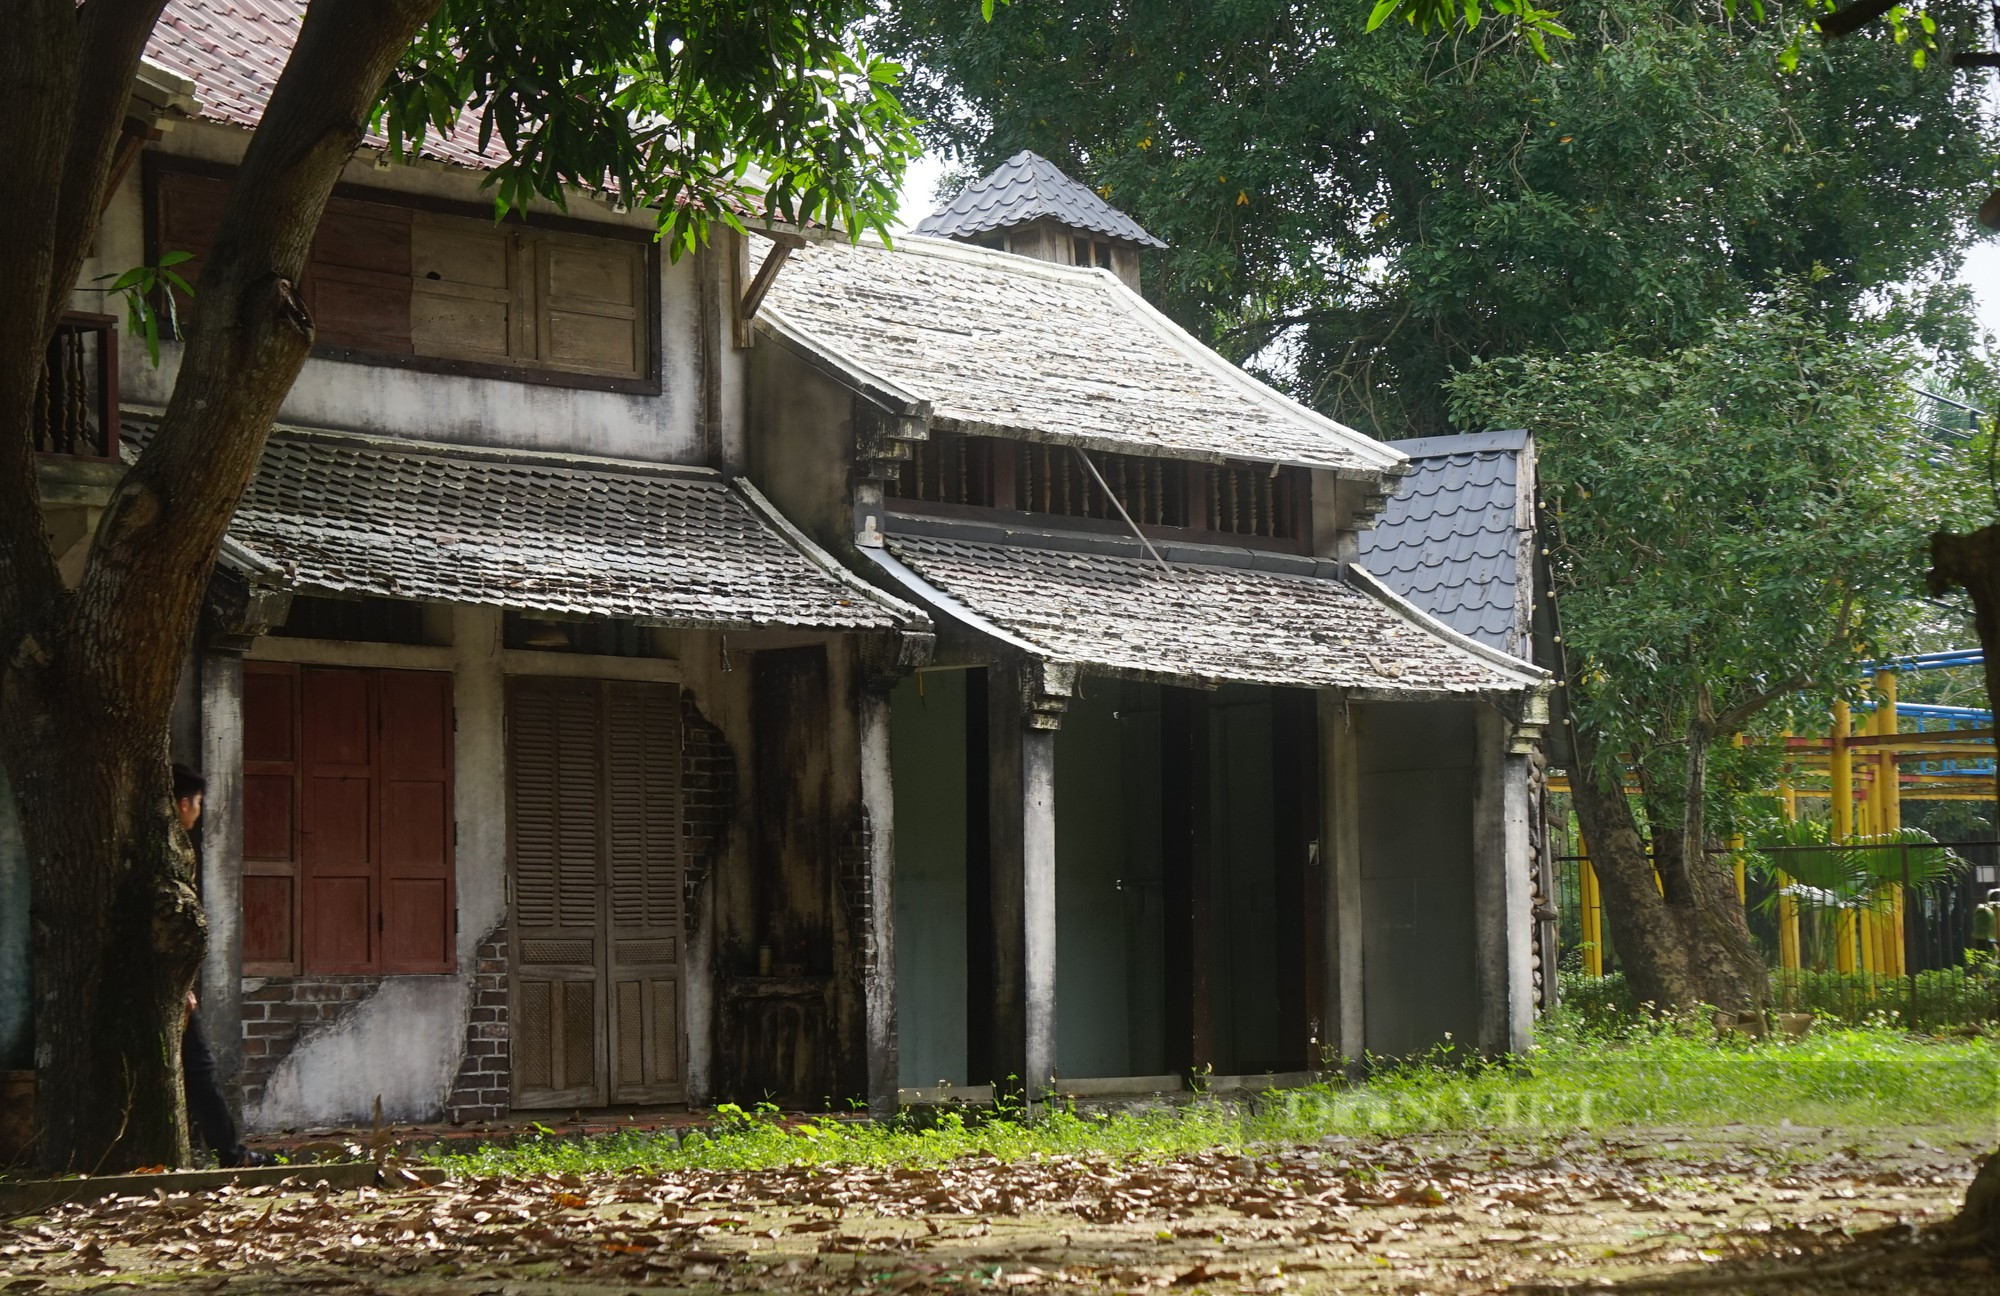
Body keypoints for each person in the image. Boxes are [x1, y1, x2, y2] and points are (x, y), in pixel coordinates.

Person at [174, 764, 262, 1168]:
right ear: (183, 803)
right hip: (172, 993)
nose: (199, 812)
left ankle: (229, 1152)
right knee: (202, 1070)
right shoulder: (171, 851)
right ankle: (230, 1154)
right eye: (199, 803)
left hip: (175, 988)